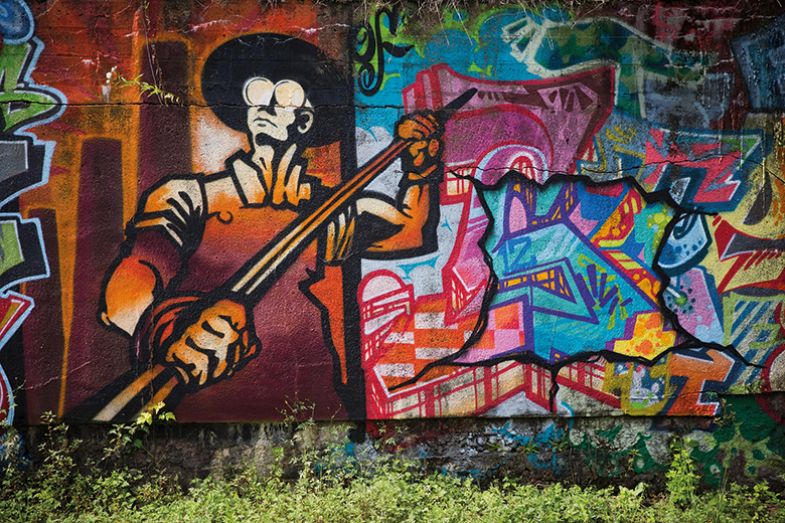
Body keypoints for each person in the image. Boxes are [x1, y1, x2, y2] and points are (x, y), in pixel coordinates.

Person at [98, 34, 442, 420]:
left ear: (305, 119)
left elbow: (409, 232)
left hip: (316, 402)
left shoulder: (330, 210)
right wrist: (164, 328)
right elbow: (130, 285)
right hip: (201, 402)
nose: (266, 104)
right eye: (257, 92)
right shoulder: (190, 197)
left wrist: (421, 171)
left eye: (285, 96)